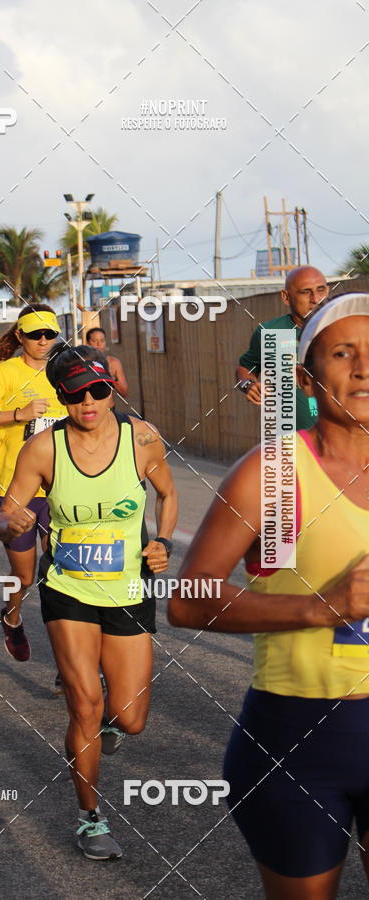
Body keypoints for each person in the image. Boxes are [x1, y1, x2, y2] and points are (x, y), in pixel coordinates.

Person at [171, 292, 369, 898]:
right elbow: (189, 599)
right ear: (308, 377)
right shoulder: (274, 473)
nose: (364, 368)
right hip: (298, 736)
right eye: (344, 353)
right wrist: (321, 606)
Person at [0, 345, 177, 858]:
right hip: (68, 591)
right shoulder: (43, 450)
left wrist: (163, 542)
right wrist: (13, 521)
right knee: (86, 707)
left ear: (110, 389)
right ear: (61, 396)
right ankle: (90, 818)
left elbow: (169, 492)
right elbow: (2, 517)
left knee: (131, 717)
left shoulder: (141, 438)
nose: (90, 401)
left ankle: (111, 724)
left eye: (99, 390)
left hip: (128, 591)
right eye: (76, 393)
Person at [0, 305, 66, 661]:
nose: (43, 341)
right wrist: (19, 414)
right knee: (24, 576)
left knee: (61, 573)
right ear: (20, 336)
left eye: (49, 334)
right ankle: (11, 616)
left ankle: (69, 658)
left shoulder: (65, 369)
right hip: (15, 489)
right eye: (35, 334)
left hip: (60, 488)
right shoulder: (4, 373)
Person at [236, 265, 329, 429]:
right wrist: (248, 385)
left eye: (320, 290)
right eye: (306, 292)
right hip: (290, 442)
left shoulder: (342, 329)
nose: (315, 299)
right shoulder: (272, 332)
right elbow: (245, 368)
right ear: (286, 297)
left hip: (345, 441)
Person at [85, 327, 129, 399]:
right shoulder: (81, 362)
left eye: (102, 340)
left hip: (106, 407)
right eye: (94, 341)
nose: (99, 344)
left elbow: (124, 392)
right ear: (88, 343)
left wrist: (111, 379)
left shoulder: (113, 363)